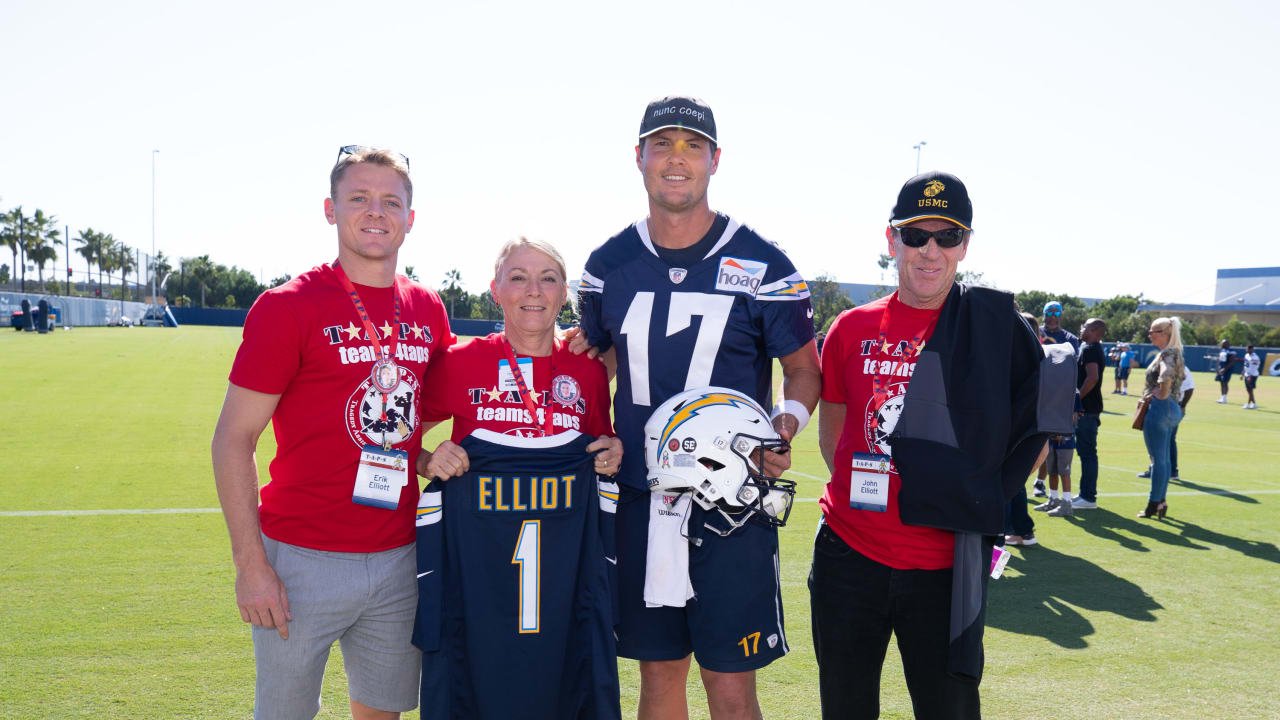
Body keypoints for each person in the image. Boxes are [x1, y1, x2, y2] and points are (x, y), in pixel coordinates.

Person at [573, 95, 821, 720]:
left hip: (731, 504)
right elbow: (596, 361)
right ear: (639, 158)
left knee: (731, 685)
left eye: (692, 146)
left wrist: (784, 423)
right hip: (640, 497)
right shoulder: (608, 265)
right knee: (658, 678)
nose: (676, 159)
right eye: (662, 144)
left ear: (716, 160)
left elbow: (802, 369)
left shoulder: (763, 262)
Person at [814, 172, 1068, 718]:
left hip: (944, 566)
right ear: (892, 241)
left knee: (948, 709)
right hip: (847, 556)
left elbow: (1033, 441)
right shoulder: (851, 327)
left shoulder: (994, 331)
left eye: (947, 236)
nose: (931, 251)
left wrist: (969, 494)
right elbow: (834, 428)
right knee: (845, 706)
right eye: (916, 235)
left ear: (965, 246)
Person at [211, 146, 453, 720]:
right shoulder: (287, 306)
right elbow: (232, 439)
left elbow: (402, 426)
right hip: (299, 559)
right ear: (330, 209)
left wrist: (424, 460)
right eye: (359, 198)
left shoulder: (427, 308)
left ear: (410, 218)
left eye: (391, 201)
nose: (376, 212)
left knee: (382, 713)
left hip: (398, 555)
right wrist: (252, 566)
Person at [414, 237, 624, 719]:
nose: (534, 291)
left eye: (548, 278)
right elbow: (405, 437)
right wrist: (429, 460)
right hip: (480, 576)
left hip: (563, 582)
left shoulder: (587, 370)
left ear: (564, 293)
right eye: (518, 277)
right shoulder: (460, 361)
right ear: (495, 290)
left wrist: (613, 453)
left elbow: (602, 445)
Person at [1137, 316, 1186, 519]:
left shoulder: (1167, 355)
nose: (1149, 335)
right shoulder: (1176, 353)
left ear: (1165, 333)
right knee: (1163, 460)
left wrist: (1161, 393)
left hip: (1160, 409)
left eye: (1153, 331)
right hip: (1173, 409)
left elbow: (1166, 375)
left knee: (1157, 460)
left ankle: (1153, 503)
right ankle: (1160, 501)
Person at [1070, 318, 1106, 511]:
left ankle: (1088, 496)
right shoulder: (1093, 348)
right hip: (1090, 409)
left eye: (1085, 326)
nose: (1081, 328)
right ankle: (1086, 493)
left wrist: (1077, 401)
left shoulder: (1090, 349)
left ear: (1093, 330)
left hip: (1087, 410)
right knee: (1086, 453)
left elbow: (1092, 378)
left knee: (1087, 453)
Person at [1208, 339, 1237, 404]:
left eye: (1223, 343)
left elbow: (1231, 362)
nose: (1221, 344)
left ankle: (1224, 398)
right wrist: (1217, 368)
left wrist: (1225, 369)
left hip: (1227, 370)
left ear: (1227, 344)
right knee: (1221, 383)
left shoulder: (1231, 351)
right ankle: (1222, 397)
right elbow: (1220, 360)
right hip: (1221, 369)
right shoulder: (1222, 351)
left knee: (1225, 383)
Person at [1242, 344, 1261, 409]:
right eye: (1246, 348)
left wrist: (1251, 376)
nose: (1247, 350)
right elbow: (1245, 365)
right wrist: (1242, 374)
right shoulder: (1246, 355)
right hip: (1247, 374)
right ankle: (1254, 404)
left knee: (1250, 390)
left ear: (1251, 349)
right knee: (1248, 390)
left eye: (1248, 349)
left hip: (1252, 375)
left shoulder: (1255, 357)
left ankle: (1248, 404)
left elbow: (1255, 367)